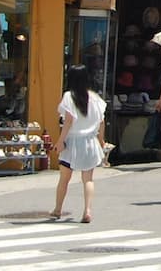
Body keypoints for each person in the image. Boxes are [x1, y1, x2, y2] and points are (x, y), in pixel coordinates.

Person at [51, 66, 107, 223]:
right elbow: (102, 122)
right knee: (88, 179)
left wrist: (60, 140)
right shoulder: (95, 98)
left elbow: (68, 121)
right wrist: (101, 140)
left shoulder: (69, 96)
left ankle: (57, 209)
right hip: (90, 141)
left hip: (72, 142)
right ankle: (87, 210)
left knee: (64, 178)